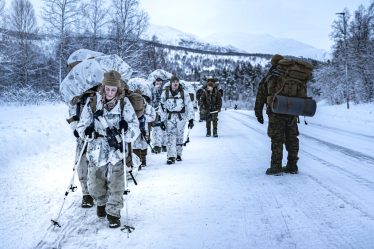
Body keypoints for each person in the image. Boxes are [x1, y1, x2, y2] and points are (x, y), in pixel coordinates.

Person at [76, 70, 140, 228]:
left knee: (117, 183)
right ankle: (101, 202)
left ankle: (113, 213)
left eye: (113, 89)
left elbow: (134, 128)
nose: (110, 92)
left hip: (116, 150)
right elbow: (81, 126)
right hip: (96, 149)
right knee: (94, 183)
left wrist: (127, 128)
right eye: (107, 89)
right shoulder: (92, 103)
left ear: (118, 89)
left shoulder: (124, 104)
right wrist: (88, 131)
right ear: (103, 88)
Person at [65, 49, 104, 208]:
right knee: (81, 162)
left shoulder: (99, 85)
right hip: (81, 133)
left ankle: (100, 191)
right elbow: (71, 110)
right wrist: (75, 127)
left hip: (99, 131)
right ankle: (86, 193)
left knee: (98, 161)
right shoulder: (75, 90)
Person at [254, 54, 299, 175]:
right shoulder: (294, 75)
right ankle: (292, 166)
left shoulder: (271, 76)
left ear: (273, 63)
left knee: (277, 139)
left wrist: (258, 112)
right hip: (292, 111)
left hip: (276, 112)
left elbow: (261, 95)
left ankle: (276, 167)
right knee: (292, 138)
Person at [160, 75, 194, 164]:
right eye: (174, 82)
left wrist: (191, 119)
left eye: (177, 82)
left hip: (181, 117)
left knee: (179, 136)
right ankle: (171, 156)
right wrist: (162, 121)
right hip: (169, 117)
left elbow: (189, 105)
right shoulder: (165, 93)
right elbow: (162, 107)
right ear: (171, 83)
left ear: (178, 83)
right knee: (170, 136)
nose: (175, 83)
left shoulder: (184, 93)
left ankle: (178, 154)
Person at [150, 77, 168, 153]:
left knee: (165, 129)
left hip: (164, 112)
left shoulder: (165, 91)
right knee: (156, 130)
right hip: (155, 112)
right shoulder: (152, 90)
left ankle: (164, 145)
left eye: (160, 83)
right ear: (155, 83)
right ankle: (157, 146)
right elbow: (152, 102)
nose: (159, 85)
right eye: (157, 83)